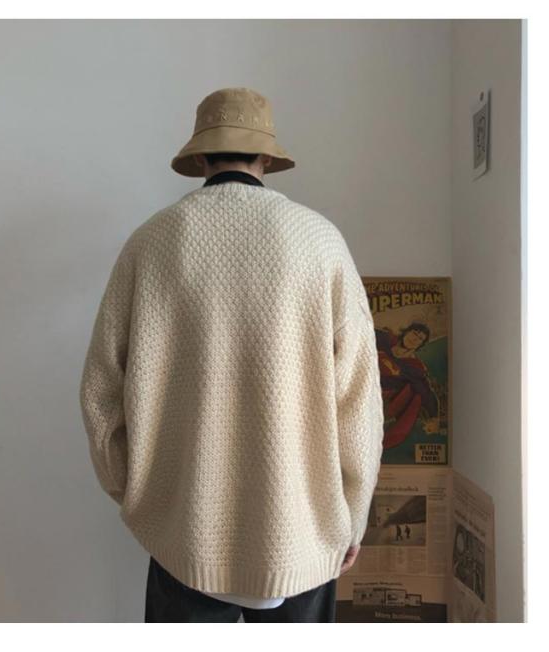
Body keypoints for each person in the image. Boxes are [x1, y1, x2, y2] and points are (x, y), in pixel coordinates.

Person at [79, 87, 384, 622]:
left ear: (200, 158)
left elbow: (100, 392)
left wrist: (136, 492)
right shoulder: (320, 241)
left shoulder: (150, 242)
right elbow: (359, 401)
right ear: (267, 156)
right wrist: (352, 514)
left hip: (183, 532)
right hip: (301, 533)